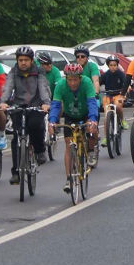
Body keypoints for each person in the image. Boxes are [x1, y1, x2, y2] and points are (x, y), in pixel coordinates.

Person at [0, 46, 51, 183]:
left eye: (26, 60)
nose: (23, 63)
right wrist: (3, 102)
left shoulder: (38, 71)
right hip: (18, 106)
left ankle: (40, 151)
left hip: (35, 105)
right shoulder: (13, 71)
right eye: (20, 60)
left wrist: (46, 103)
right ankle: (16, 172)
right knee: (16, 138)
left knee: (35, 125)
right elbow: (8, 87)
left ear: (31, 61)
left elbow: (43, 88)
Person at [48, 64, 98, 194]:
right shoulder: (60, 85)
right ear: (66, 78)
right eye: (69, 79)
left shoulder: (87, 82)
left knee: (92, 129)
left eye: (75, 79)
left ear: (80, 78)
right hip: (70, 116)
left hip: (86, 114)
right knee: (69, 145)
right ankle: (69, 178)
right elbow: (55, 105)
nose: (72, 82)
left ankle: (91, 150)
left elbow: (92, 102)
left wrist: (92, 119)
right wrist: (52, 121)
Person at [100, 55, 128, 131]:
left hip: (118, 94)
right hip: (108, 95)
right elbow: (98, 83)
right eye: (111, 65)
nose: (113, 67)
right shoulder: (105, 75)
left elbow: (126, 83)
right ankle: (106, 138)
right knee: (106, 114)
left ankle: (122, 120)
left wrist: (125, 91)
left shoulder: (121, 74)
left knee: (118, 106)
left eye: (115, 65)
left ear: (117, 65)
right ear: (108, 66)